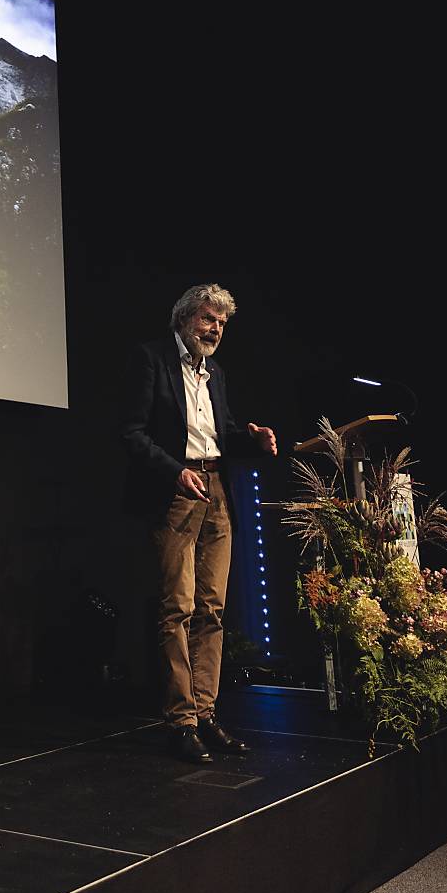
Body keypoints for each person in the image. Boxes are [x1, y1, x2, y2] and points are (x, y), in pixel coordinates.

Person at [122, 283, 277, 763]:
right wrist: (176, 471)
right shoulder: (150, 360)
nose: (216, 330)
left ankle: (206, 715)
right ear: (185, 318)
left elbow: (221, 433)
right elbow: (131, 432)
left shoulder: (215, 373)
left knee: (213, 609)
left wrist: (251, 439)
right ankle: (180, 720)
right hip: (175, 493)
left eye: (223, 324)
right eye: (209, 320)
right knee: (179, 609)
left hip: (215, 493)